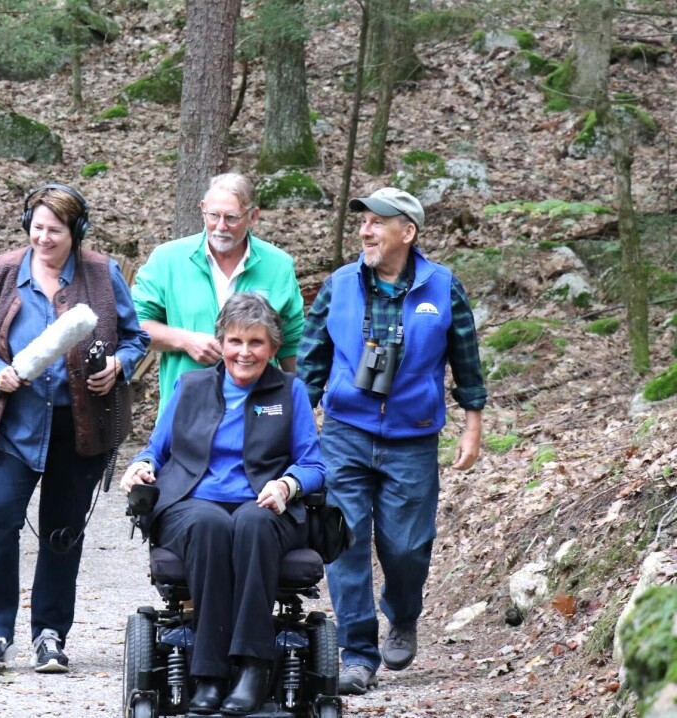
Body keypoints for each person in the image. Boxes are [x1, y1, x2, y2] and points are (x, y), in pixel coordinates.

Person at [0, 184, 149, 673]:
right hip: (12, 422)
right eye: (37, 227)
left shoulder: (101, 274)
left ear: (76, 233)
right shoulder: (2, 273)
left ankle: (50, 635)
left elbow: (136, 337)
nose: (44, 238)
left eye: (55, 231)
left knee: (62, 533)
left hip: (77, 427)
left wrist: (119, 366)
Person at [297, 187, 487, 695]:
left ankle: (403, 614)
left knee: (406, 547)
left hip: (413, 437)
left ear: (408, 232)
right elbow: (311, 364)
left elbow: (466, 361)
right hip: (345, 433)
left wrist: (472, 423)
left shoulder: (443, 287)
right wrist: (291, 428)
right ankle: (357, 654)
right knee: (346, 544)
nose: (365, 231)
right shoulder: (339, 286)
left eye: (378, 223)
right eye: (363, 222)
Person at [120, 292, 325, 715]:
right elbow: (155, 450)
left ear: (272, 348)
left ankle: (253, 669)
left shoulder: (290, 391)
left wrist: (288, 485)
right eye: (235, 341)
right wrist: (139, 466)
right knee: (209, 523)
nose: (244, 352)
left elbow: (315, 464)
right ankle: (208, 674)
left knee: (251, 522)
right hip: (191, 503)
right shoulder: (192, 385)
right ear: (221, 343)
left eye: (256, 343)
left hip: (266, 506)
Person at [131, 172, 305, 417]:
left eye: (232, 218)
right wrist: (185, 340)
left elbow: (292, 342)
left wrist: (300, 405)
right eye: (213, 215)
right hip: (185, 411)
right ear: (202, 209)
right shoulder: (168, 260)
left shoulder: (278, 265)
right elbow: (133, 327)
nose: (221, 226)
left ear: (253, 216)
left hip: (259, 413)